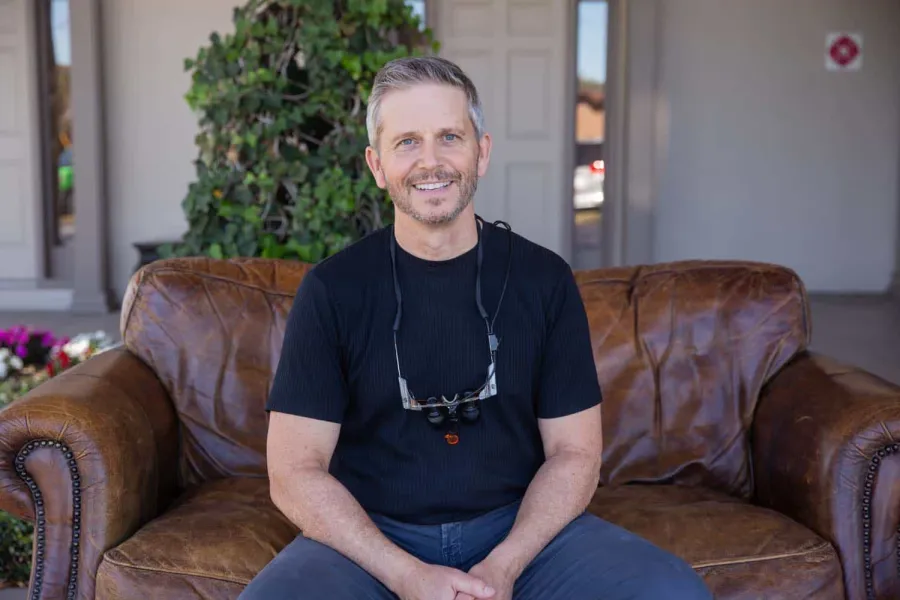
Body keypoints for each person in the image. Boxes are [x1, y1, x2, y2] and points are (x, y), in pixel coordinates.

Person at [240, 56, 712, 600]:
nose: (431, 161)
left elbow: (575, 454)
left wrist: (505, 567)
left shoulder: (545, 281)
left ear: (481, 151)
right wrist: (405, 575)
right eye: (407, 142)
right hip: (372, 540)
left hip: (521, 532)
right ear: (376, 165)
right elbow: (295, 470)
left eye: (449, 136)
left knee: (672, 592)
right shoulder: (333, 290)